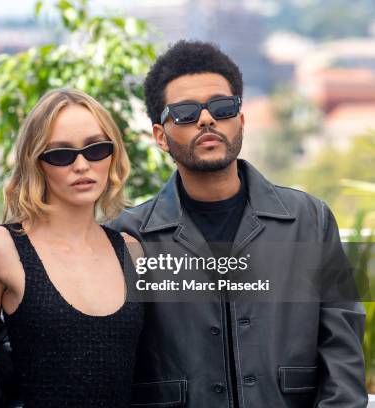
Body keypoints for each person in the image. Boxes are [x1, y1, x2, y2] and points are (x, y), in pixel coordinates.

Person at [108, 40, 367, 407]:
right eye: (184, 112)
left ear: (240, 121)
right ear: (160, 136)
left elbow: (343, 356)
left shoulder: (310, 220)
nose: (206, 119)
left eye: (222, 107)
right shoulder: (128, 236)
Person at [0, 89, 144, 407]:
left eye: (97, 149)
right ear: (36, 162)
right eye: (61, 154)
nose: (82, 165)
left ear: (113, 154)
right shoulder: (0, 249)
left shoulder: (131, 251)